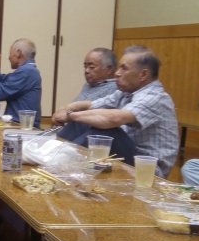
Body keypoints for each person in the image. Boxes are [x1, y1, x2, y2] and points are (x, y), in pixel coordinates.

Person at [52, 45, 178, 177]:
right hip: (130, 152)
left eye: (124, 68)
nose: (117, 73)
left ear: (143, 74)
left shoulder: (155, 97)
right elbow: (90, 105)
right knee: (84, 119)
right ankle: (52, 154)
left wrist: (70, 116)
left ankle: (59, 163)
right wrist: (67, 108)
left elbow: (113, 119)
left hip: (148, 168)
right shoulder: (126, 92)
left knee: (107, 130)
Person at [0, 38, 42, 127]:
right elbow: (1, 79)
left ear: (18, 53)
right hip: (18, 125)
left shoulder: (27, 71)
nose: (9, 57)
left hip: (23, 128)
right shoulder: (28, 70)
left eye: (10, 53)